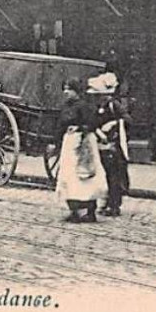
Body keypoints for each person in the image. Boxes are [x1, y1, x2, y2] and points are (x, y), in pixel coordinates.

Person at [54, 78, 103, 224]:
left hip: (84, 143)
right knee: (69, 176)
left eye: (69, 89)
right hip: (69, 143)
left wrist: (80, 128)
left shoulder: (84, 106)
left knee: (85, 175)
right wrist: (56, 142)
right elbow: (60, 125)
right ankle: (74, 210)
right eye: (65, 89)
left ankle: (90, 210)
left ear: (76, 91)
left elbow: (93, 123)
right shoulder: (65, 106)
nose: (66, 92)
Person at [93, 72, 129, 217]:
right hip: (102, 142)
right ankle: (108, 201)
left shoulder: (114, 105)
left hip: (114, 144)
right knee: (107, 174)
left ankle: (114, 205)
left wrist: (113, 123)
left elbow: (127, 119)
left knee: (114, 174)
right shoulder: (99, 106)